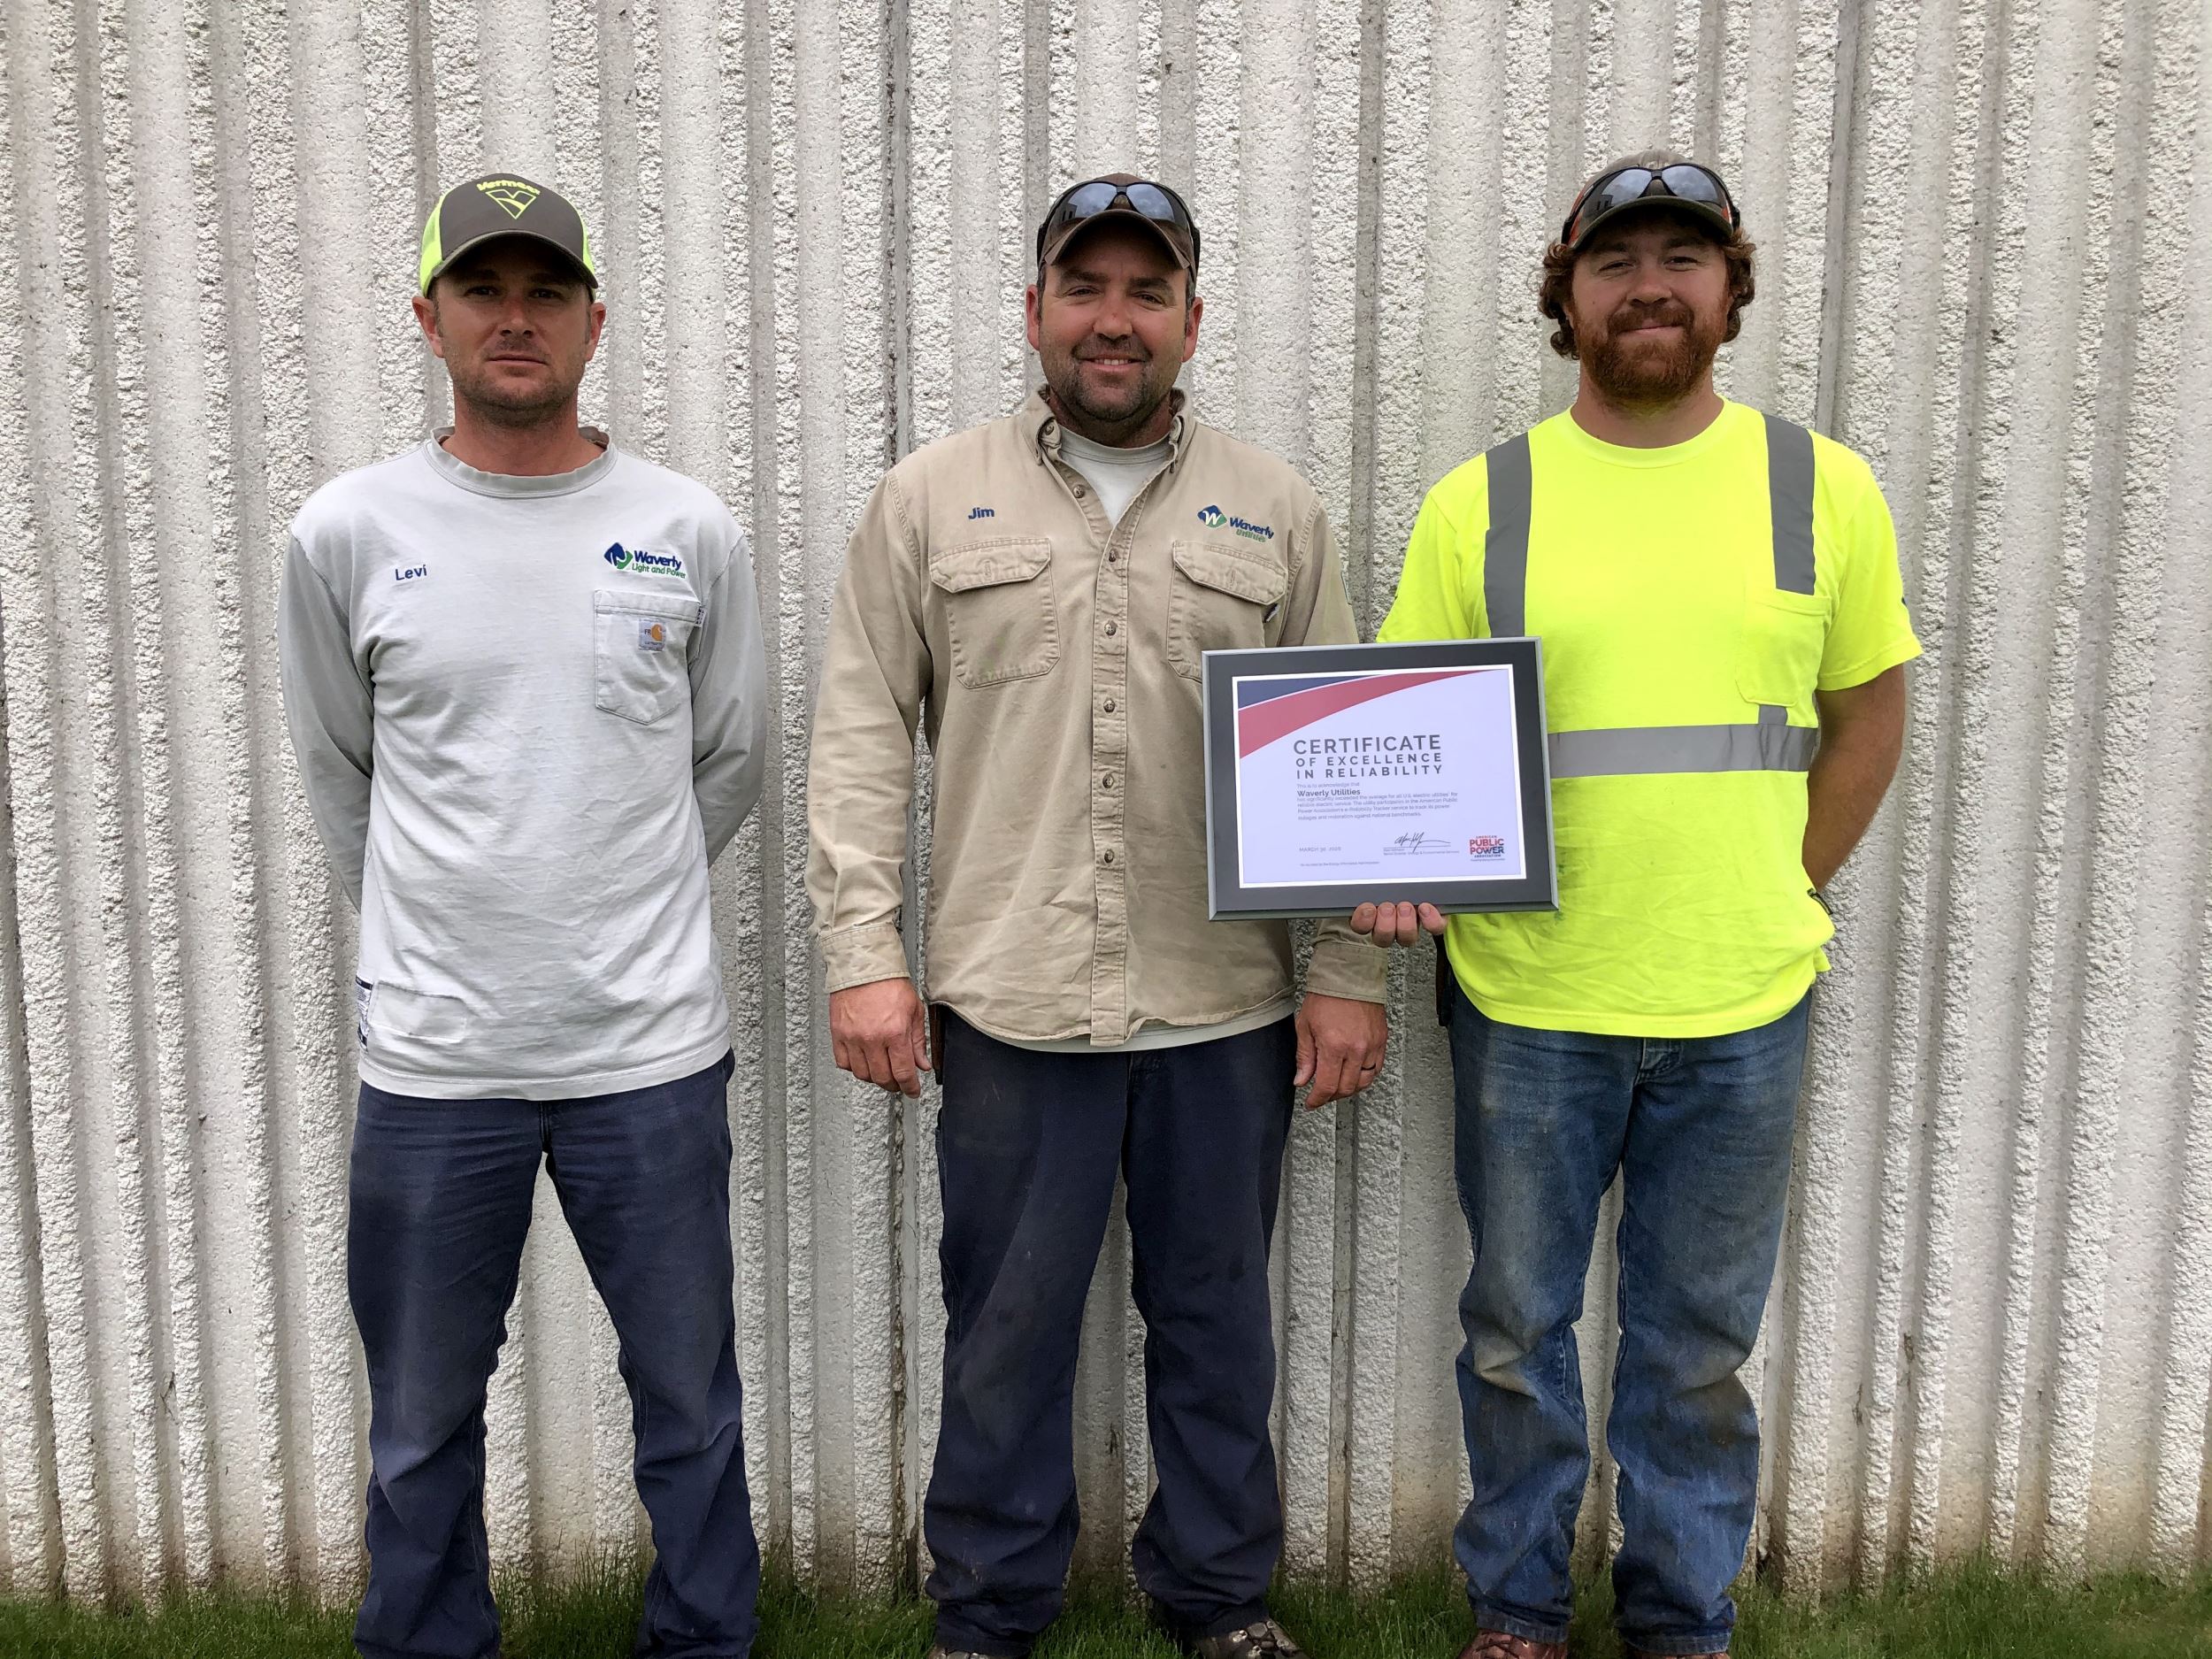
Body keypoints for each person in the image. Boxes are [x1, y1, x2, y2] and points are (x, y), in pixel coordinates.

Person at [806, 174, 1390, 1659]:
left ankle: (1217, 1597)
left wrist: (1344, 974)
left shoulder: (1276, 508)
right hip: (1013, 1000)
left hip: (1226, 1003)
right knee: (1005, 1327)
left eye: (1146, 293)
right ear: (1036, 312)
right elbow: (862, 735)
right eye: (1086, 288)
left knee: (1214, 1323)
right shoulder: (930, 500)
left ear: (1193, 320)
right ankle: (989, 1607)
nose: (1113, 321)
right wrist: (863, 958)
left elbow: (1340, 758)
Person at [1355, 152, 1919, 1659]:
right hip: (1531, 998)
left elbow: (1869, 711)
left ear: (1731, 289)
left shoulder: (1823, 484)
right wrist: (1399, 864)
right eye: (1617, 261)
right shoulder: (1488, 499)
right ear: (1568, 294)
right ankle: (1520, 1609)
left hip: (1745, 1001)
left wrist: (1777, 882)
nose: (1650, 284)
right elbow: (1404, 726)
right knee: (1517, 1335)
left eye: (1683, 256)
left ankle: (1680, 1616)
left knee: (1696, 1352)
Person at [280, 173, 769, 1659]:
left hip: (649, 1049)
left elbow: (728, 758)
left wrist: (607, 899)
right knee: (423, 1416)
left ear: (593, 321)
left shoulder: (686, 527)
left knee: (688, 1401)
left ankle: (702, 1640)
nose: (516, 318)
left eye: (546, 292)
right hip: (438, 1063)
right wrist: (445, 935)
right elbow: (338, 771)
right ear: (426, 317)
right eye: (483, 291)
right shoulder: (349, 531)